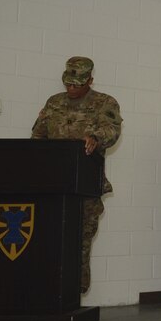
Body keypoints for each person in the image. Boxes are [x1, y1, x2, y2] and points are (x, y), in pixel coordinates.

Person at [32, 56, 122, 294]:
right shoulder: (53, 103)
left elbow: (111, 130)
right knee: (48, 238)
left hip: (85, 186)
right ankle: (46, 292)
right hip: (52, 185)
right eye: (68, 84)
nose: (71, 89)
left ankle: (73, 293)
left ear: (90, 80)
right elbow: (38, 136)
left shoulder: (104, 102)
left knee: (79, 242)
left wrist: (95, 138)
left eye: (77, 85)